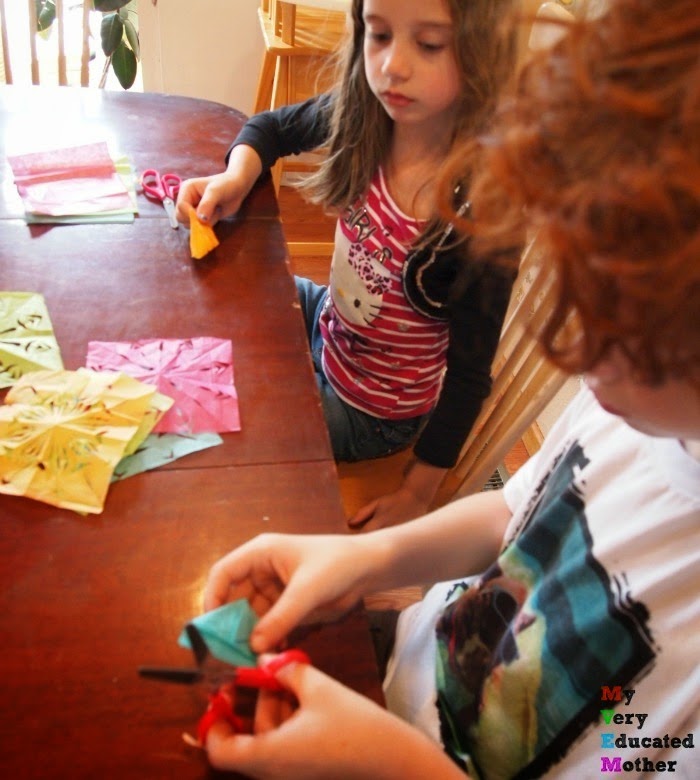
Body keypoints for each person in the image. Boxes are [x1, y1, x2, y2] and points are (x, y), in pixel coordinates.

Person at [194, 0, 700, 776]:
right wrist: (365, 561)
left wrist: (385, 761)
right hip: (411, 661)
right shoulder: (635, 422)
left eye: (625, 325)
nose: (572, 350)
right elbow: (512, 512)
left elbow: (612, 746)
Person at [176, 0, 519, 529]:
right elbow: (269, 128)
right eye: (378, 35)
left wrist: (418, 493)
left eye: (428, 44)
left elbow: (469, 379)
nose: (392, 65)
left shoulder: (481, 213)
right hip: (330, 322)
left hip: (372, 413)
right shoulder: (367, 114)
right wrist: (236, 178)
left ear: (482, 55)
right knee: (236, 289)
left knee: (238, 414)